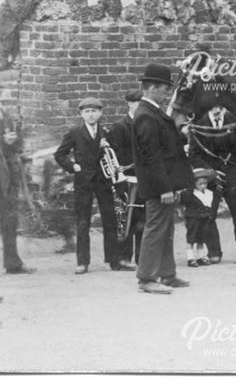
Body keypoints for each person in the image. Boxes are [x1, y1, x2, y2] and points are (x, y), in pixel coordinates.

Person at [133, 63, 194, 294]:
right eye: (164, 88)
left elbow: (166, 142)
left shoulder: (153, 112)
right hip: (159, 185)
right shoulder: (146, 115)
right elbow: (152, 157)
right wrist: (164, 188)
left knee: (166, 229)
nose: (167, 93)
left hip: (165, 183)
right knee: (156, 228)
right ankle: (146, 278)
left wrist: (183, 135)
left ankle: (167, 274)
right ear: (150, 88)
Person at [54, 97, 131, 274]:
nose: (91, 114)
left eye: (94, 111)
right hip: (83, 182)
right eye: (87, 111)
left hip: (103, 180)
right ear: (81, 114)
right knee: (83, 222)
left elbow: (116, 153)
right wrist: (73, 166)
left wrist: (108, 146)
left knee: (110, 220)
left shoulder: (106, 131)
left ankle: (113, 260)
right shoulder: (75, 132)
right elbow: (60, 155)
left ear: (100, 113)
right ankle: (83, 262)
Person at [0, 67, 35, 278]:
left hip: (7, 176)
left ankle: (12, 262)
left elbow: (14, 146)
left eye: (0, 95)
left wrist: (13, 141)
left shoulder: (5, 116)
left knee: (10, 219)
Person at [188, 105, 236, 264]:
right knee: (208, 215)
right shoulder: (199, 124)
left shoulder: (235, 122)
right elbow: (193, 154)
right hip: (209, 178)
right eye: (213, 106)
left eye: (220, 106)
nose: (217, 110)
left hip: (232, 175)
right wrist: (210, 172)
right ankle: (214, 252)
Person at [107, 90, 147, 265]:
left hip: (144, 179)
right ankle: (124, 257)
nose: (139, 106)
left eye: (141, 103)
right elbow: (116, 155)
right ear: (129, 104)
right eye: (136, 103)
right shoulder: (120, 126)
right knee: (126, 219)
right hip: (127, 179)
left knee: (143, 220)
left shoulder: (148, 124)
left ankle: (142, 257)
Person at [179, 170, 222, 267]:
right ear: (194, 184)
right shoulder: (190, 194)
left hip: (204, 219)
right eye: (200, 184)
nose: (203, 186)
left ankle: (201, 257)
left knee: (201, 239)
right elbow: (183, 201)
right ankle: (190, 258)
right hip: (194, 220)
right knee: (191, 238)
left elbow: (211, 204)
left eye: (205, 183)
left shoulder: (209, 193)